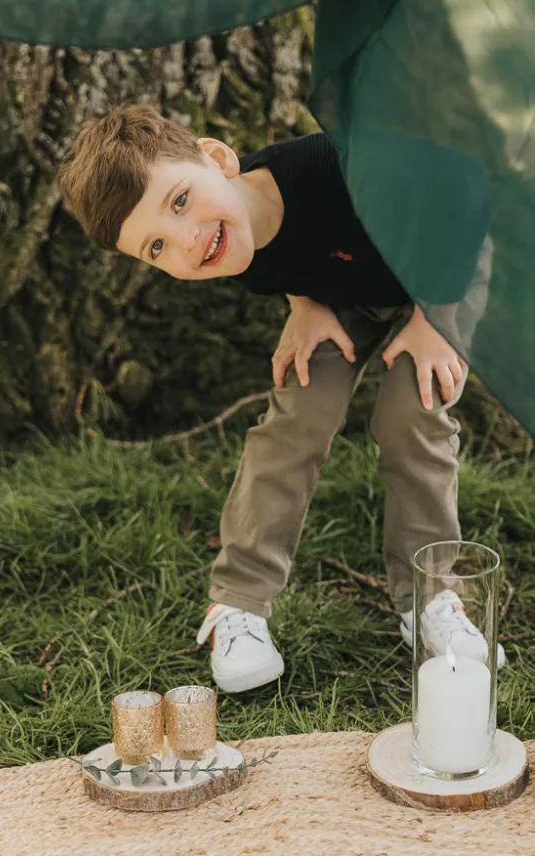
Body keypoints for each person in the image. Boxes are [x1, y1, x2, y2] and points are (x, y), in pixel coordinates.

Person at [57, 104, 502, 693]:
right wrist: (304, 304)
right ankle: (238, 603)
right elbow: (286, 255)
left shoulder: (334, 165)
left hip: (444, 269)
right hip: (339, 295)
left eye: (181, 201)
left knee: (410, 415)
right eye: (157, 247)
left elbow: (462, 201)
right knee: (298, 414)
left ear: (217, 159)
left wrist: (433, 316)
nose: (188, 244)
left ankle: (431, 599)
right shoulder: (224, 244)